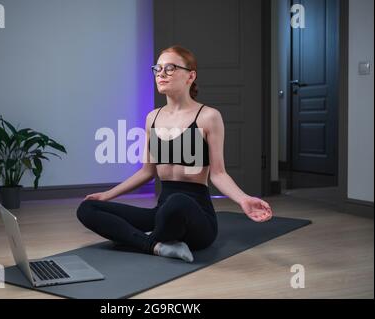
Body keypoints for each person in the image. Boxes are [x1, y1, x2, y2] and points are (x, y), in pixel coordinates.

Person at [76, 45, 273, 263]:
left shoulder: (208, 116)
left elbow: (218, 174)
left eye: (169, 68)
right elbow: (146, 172)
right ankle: (155, 245)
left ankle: (141, 240)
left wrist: (243, 199)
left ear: (190, 76)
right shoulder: (152, 117)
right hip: (162, 214)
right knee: (88, 208)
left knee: (177, 201)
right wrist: (107, 195)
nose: (161, 73)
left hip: (196, 218)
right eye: (158, 68)